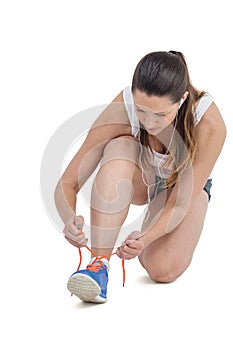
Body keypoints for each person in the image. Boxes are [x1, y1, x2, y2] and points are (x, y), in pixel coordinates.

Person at [54, 51, 226, 303]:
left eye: (161, 115)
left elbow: (180, 202)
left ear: (182, 99)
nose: (148, 123)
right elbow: (68, 182)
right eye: (141, 111)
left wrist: (145, 240)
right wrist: (68, 219)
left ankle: (154, 225)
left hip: (183, 192)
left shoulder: (209, 121)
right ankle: (98, 267)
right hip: (140, 180)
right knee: (119, 146)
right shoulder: (122, 109)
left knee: (161, 269)